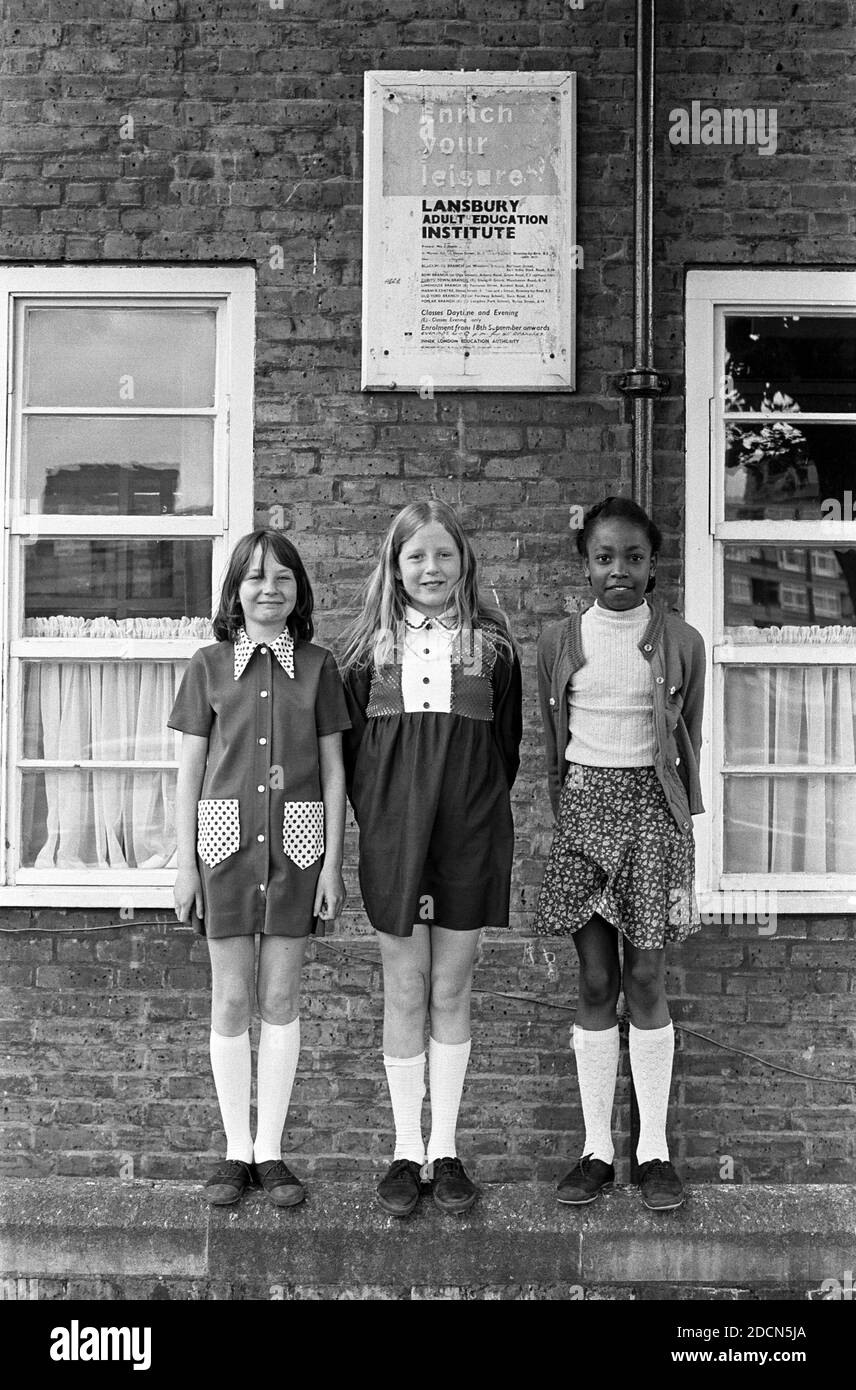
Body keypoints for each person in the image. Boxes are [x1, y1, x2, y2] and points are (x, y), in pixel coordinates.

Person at [339, 500, 522, 1217]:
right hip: (393, 838)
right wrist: (391, 820)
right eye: (416, 556)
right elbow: (354, 759)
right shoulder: (365, 655)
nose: (431, 568)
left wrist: (466, 810)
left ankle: (445, 1150)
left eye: (444, 554)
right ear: (395, 566)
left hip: (469, 836)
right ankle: (402, 1151)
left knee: (451, 991)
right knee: (404, 992)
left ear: (464, 563)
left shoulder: (494, 648)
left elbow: (503, 751)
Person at [169, 529, 350, 1208]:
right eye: (254, 578)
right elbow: (188, 772)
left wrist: (333, 864)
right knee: (232, 999)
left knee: (279, 1000)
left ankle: (271, 1152)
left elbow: (333, 772)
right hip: (223, 852)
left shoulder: (320, 666)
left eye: (282, 578)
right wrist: (184, 862)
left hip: (298, 855)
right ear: (234, 591)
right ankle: (233, 1151)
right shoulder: (208, 666)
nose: (269, 589)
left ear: (299, 591)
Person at [535, 496, 706, 1211]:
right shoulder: (559, 640)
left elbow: (686, 733)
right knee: (595, 980)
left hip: (651, 817)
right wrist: (569, 809)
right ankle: (597, 1151)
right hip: (583, 811)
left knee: (645, 978)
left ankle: (655, 1153)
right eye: (605, 557)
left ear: (653, 564)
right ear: (585, 563)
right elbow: (551, 742)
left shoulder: (682, 641)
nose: (619, 570)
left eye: (633, 557)